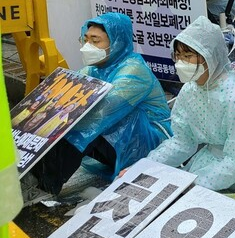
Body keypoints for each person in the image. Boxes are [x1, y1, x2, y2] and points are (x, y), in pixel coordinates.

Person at [30, 14, 170, 195]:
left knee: (80, 125)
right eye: (86, 40)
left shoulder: (134, 70)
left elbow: (101, 112)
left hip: (148, 141)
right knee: (58, 122)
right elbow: (67, 96)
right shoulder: (94, 68)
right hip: (118, 139)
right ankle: (32, 177)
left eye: (96, 41)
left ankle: (43, 188)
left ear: (117, 42)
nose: (88, 47)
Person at [147, 16, 235, 192]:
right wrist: (147, 167)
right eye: (178, 56)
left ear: (209, 56)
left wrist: (196, 186)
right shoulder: (190, 89)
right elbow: (183, 141)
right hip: (209, 163)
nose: (181, 63)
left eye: (188, 56)